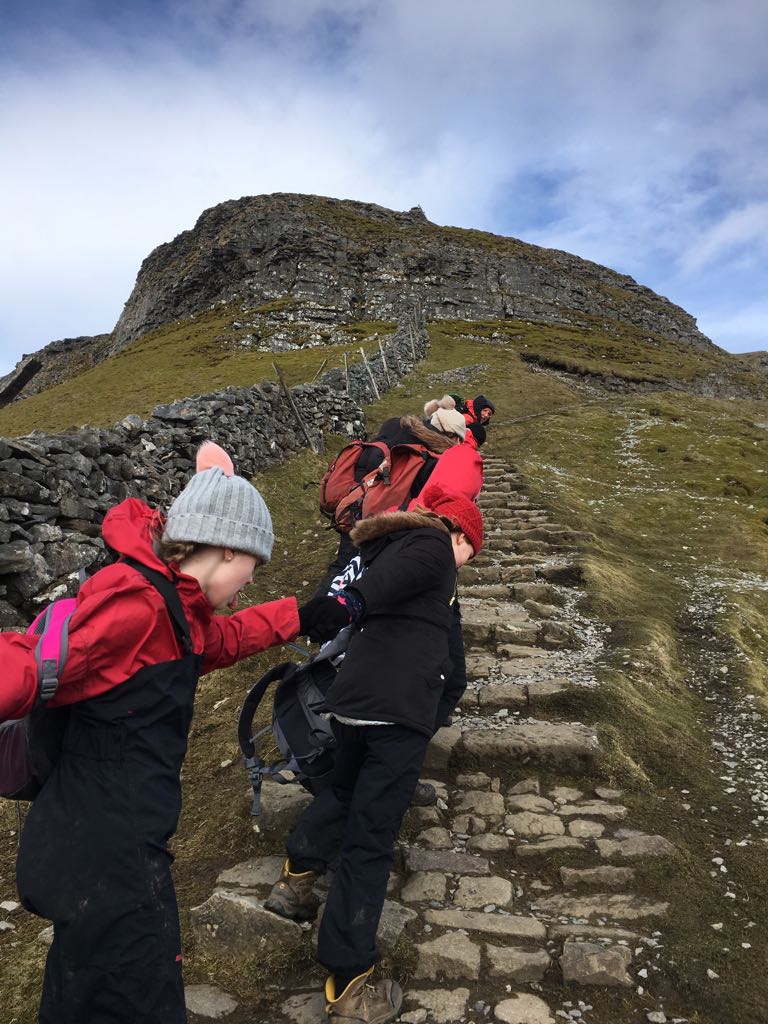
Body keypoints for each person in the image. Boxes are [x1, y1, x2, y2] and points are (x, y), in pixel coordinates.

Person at [1, 441, 331, 1024]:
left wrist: (297, 617)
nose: (250, 581)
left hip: (99, 843)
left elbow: (211, 644)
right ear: (228, 547)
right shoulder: (138, 608)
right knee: (139, 999)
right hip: (108, 861)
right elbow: (23, 669)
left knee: (81, 993)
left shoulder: (171, 609)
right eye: (254, 565)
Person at [265, 485, 483, 1024]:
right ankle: (349, 982)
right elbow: (381, 587)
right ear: (457, 532)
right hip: (395, 713)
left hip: (357, 704)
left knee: (342, 792)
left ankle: (295, 882)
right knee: (370, 841)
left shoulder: (403, 561)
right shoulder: (431, 546)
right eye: (470, 551)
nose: (465, 562)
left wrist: (436, 707)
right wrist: (350, 604)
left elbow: (452, 658)